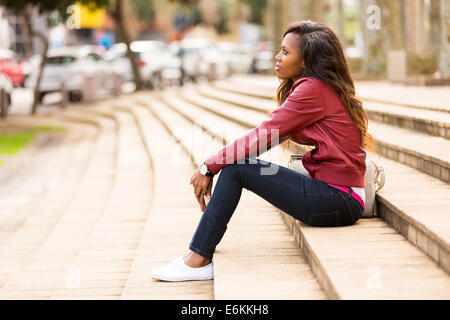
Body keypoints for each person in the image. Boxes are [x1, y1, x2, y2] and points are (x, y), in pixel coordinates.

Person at [151, 21, 372, 282]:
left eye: (285, 52)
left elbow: (261, 136)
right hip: (337, 195)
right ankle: (198, 255)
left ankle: (197, 259)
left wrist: (208, 166)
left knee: (236, 168)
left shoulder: (313, 90)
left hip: (338, 199)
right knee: (237, 166)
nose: (277, 57)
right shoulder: (315, 87)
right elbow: (267, 137)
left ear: (306, 61)